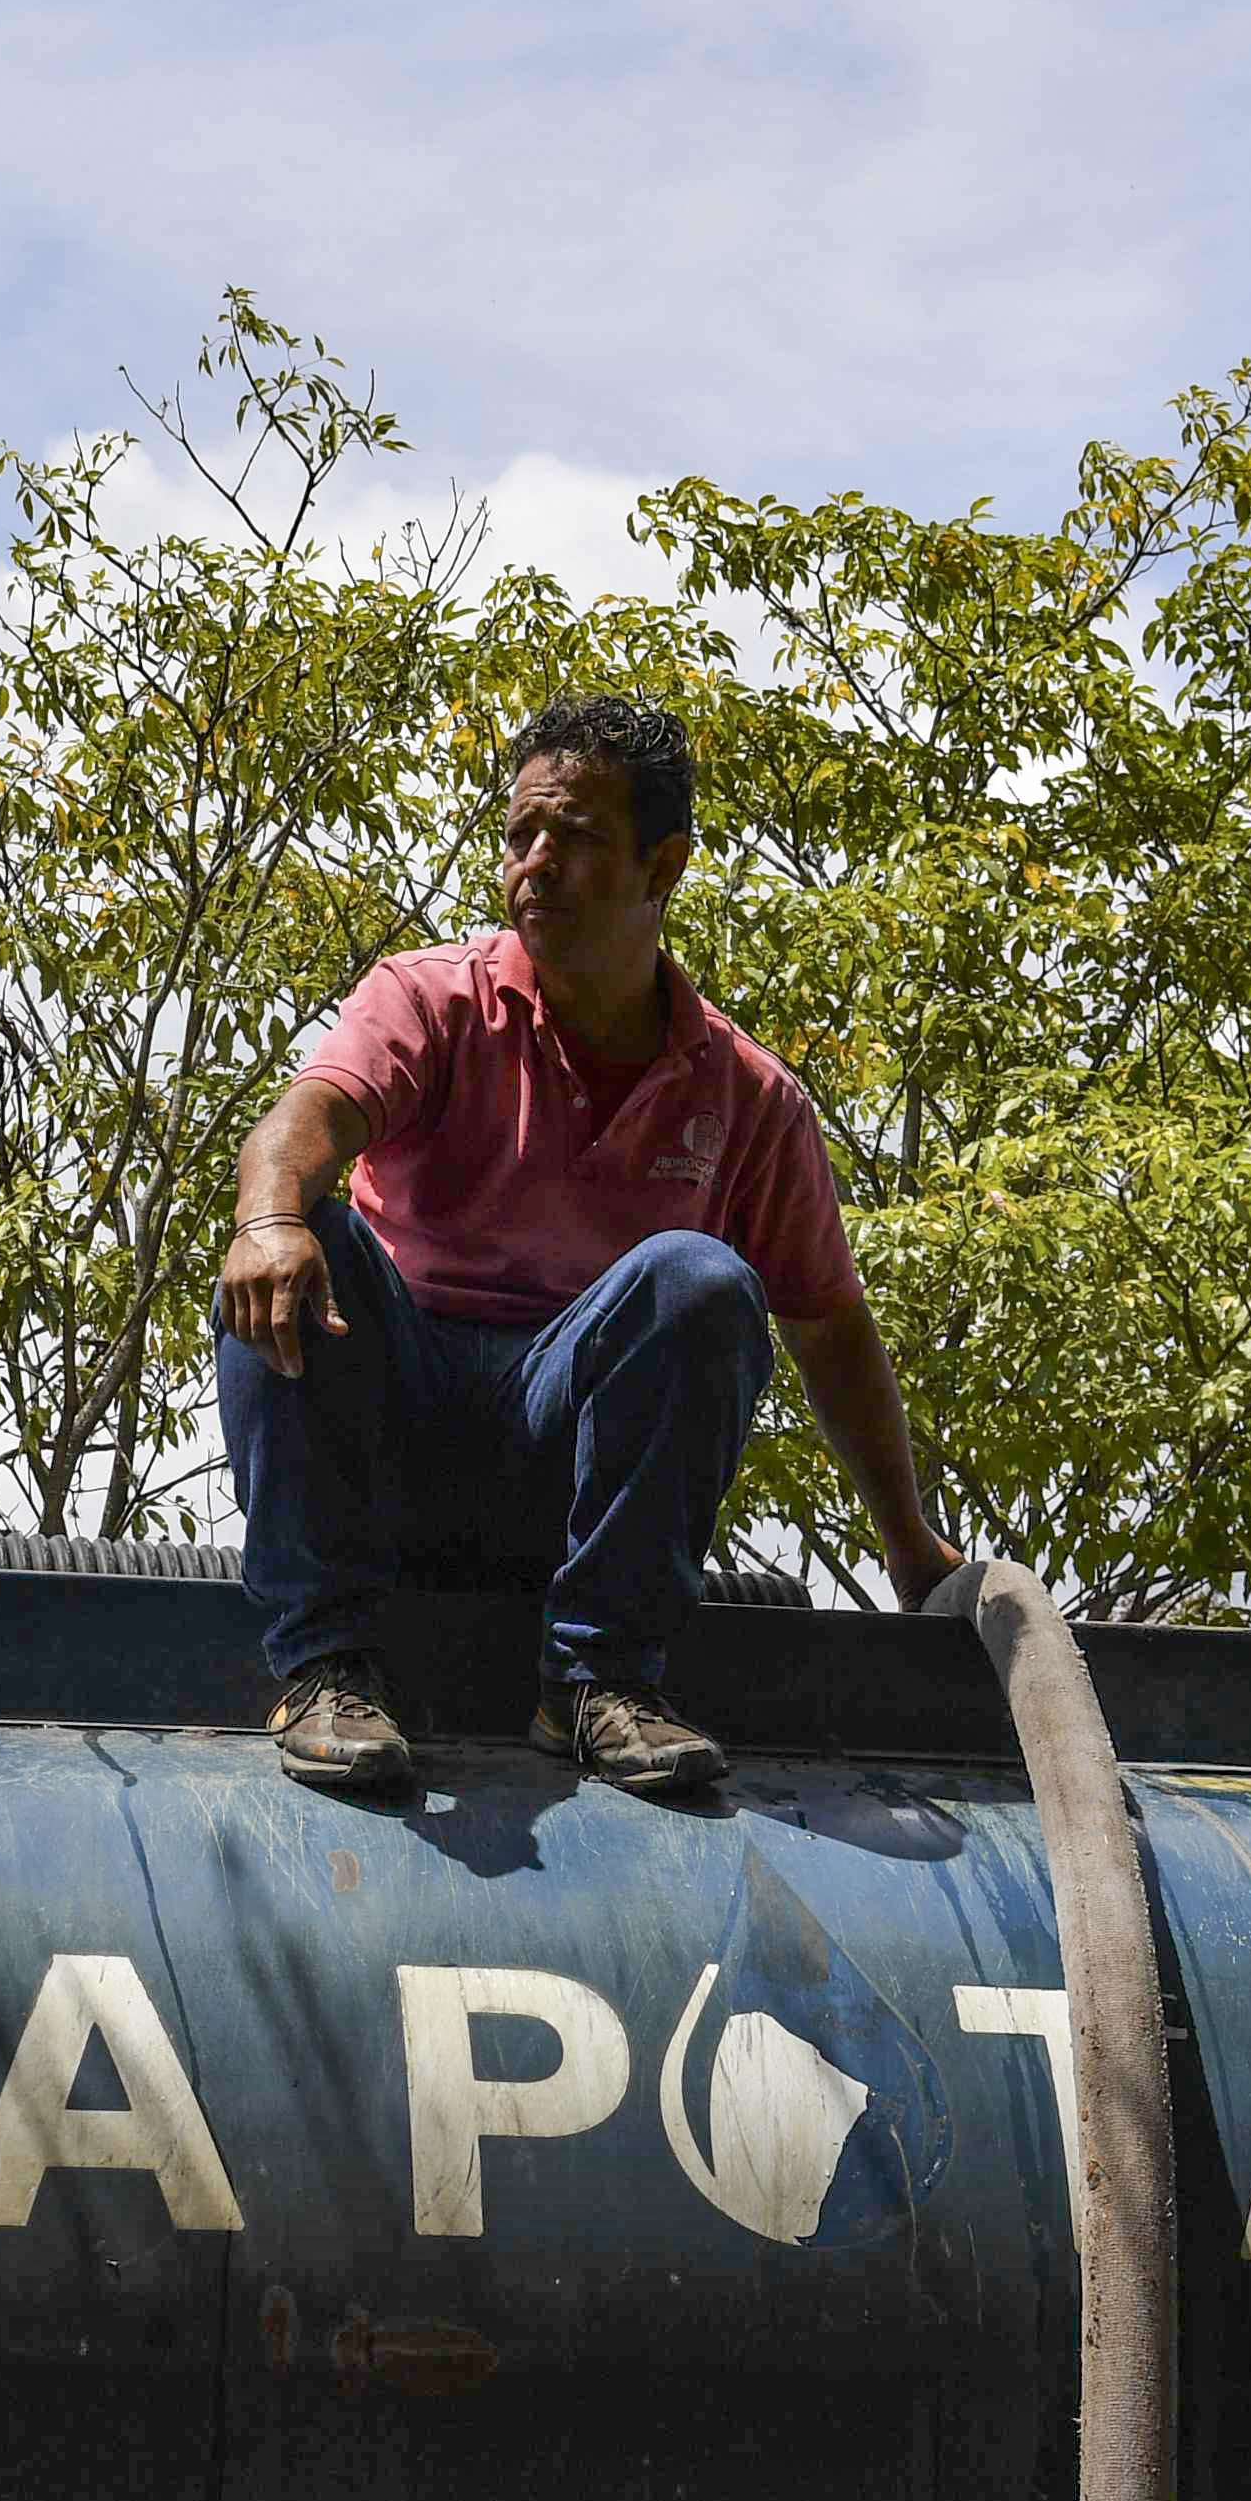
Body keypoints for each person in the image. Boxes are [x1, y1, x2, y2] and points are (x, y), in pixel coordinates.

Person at [214, 694, 962, 1794]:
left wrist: (910, 1548)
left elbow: (827, 1322)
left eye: (575, 838)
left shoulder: (748, 1098)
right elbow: (305, 1121)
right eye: (520, 834)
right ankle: (323, 1666)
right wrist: (271, 1218)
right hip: (390, 1431)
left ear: (662, 868)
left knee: (700, 1280)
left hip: (558, 1478)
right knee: (306, 1228)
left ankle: (597, 1682)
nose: (536, 864)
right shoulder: (431, 1000)